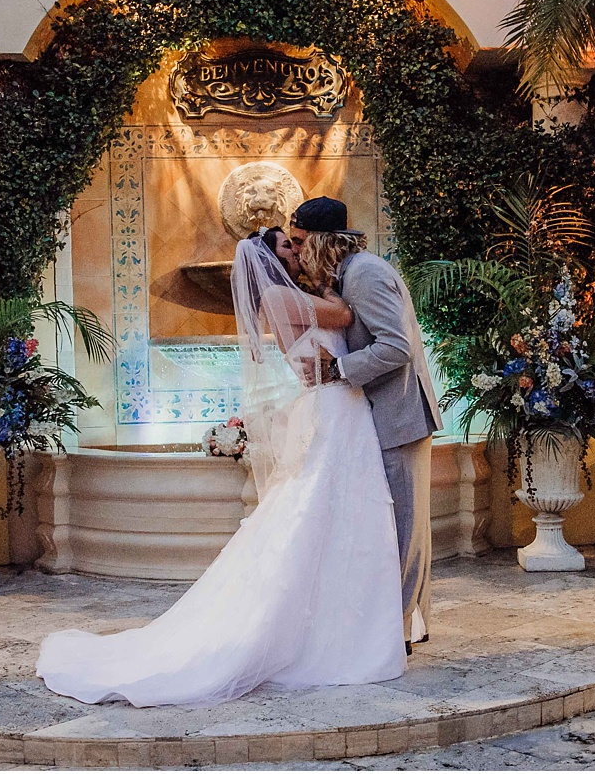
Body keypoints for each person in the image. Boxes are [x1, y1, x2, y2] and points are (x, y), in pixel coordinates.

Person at [37, 233, 406, 707]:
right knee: (315, 512)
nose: (296, 251)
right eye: (288, 246)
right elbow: (347, 317)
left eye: (297, 243)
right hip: (332, 410)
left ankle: (347, 629)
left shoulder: (290, 294)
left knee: (339, 516)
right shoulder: (279, 296)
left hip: (341, 409)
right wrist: (328, 284)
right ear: (270, 259)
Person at [289, 196, 443, 653]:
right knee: (395, 526)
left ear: (321, 241)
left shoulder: (365, 274)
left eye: (299, 242)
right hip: (384, 416)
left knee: (405, 528)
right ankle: (403, 624)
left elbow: (396, 347)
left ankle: (399, 630)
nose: (296, 252)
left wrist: (337, 368)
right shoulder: (348, 276)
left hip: (400, 416)